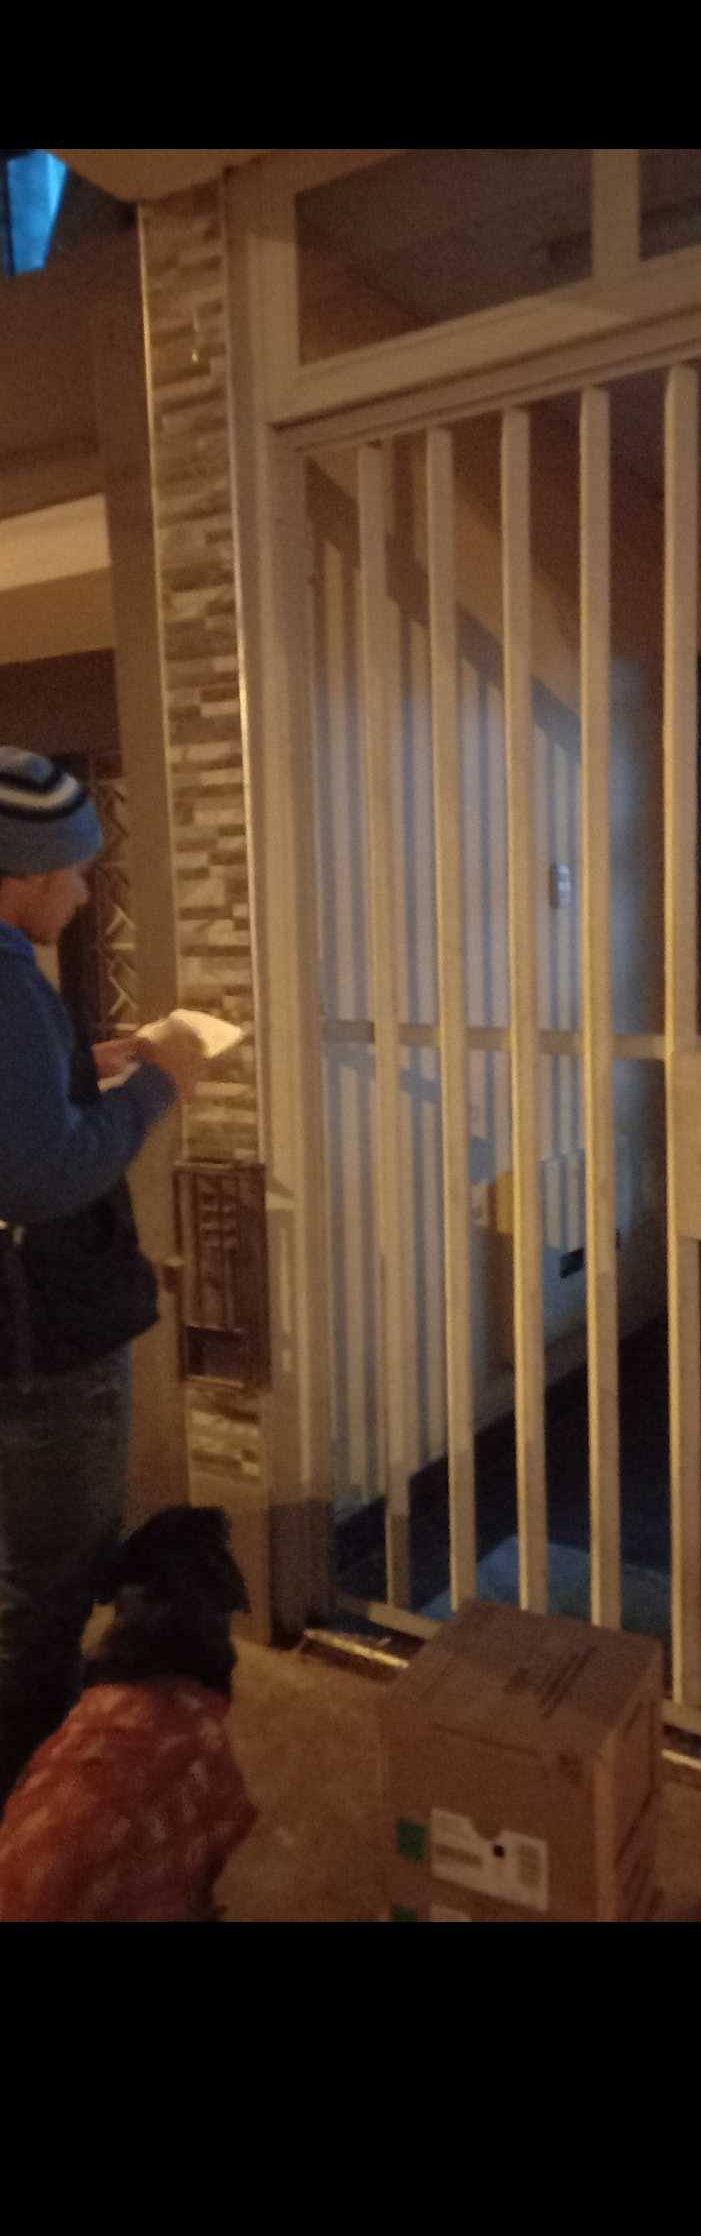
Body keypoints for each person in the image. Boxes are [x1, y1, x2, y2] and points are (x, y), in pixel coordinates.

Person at [0, 746, 207, 1809]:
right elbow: (43, 1177)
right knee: (50, 1581)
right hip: (44, 1337)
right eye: (74, 871)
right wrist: (157, 1088)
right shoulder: (5, 982)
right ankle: (33, 1809)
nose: (84, 894)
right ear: (25, 872)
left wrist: (88, 1065)